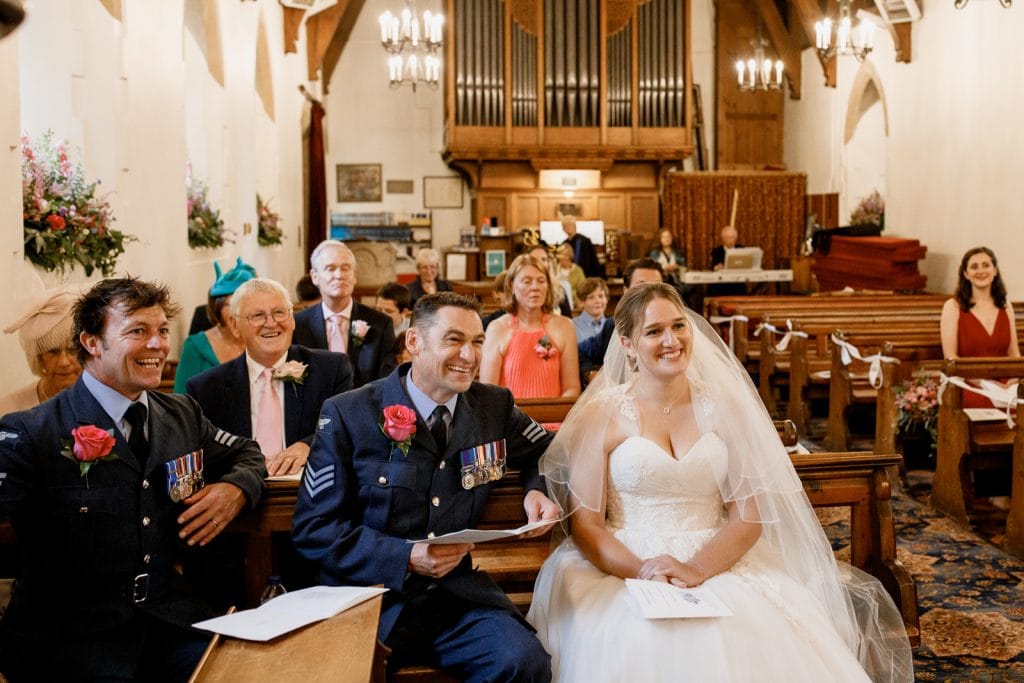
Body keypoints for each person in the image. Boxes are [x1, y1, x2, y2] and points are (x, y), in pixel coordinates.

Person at [527, 283, 913, 682]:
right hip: (626, 561)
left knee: (755, 633)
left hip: (716, 557)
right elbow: (587, 525)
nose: (671, 340)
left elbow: (747, 515)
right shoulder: (601, 414)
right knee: (640, 637)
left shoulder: (724, 406)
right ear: (627, 344)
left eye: (679, 326)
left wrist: (696, 569)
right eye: (654, 331)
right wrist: (644, 572)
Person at [0, 277, 266, 682]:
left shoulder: (180, 414)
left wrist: (235, 488)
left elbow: (247, 452)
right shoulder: (31, 431)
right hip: (71, 641)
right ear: (91, 343)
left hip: (170, 624)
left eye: (161, 331)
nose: (158, 344)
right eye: (138, 332)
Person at [292, 292, 560, 681]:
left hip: (455, 598)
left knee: (524, 663)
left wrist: (537, 488)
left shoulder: (492, 406)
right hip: (368, 600)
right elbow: (313, 528)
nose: (469, 355)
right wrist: (405, 556)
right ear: (414, 342)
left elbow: (549, 450)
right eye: (454, 340)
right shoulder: (349, 413)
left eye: (478, 342)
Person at [187, 278, 353, 476]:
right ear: (234, 325)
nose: (271, 323)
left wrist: (308, 446)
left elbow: (345, 429)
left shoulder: (331, 370)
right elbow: (207, 457)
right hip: (242, 495)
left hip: (311, 493)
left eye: (279, 313)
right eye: (258, 316)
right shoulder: (206, 388)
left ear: (292, 319)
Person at [293, 240, 397, 388]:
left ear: (354, 276)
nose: (339, 275)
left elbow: (386, 380)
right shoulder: (298, 324)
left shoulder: (380, 323)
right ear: (315, 276)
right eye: (330, 268)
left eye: (346, 268)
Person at [480, 255, 581, 399]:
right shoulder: (497, 328)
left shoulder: (564, 327)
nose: (535, 287)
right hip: (509, 420)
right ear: (511, 286)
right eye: (527, 281)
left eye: (541, 281)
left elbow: (571, 389)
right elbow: (487, 394)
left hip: (554, 418)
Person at [940, 246, 1020, 408]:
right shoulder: (953, 307)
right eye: (974, 267)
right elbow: (950, 358)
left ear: (995, 270)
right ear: (965, 274)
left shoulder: (1006, 306)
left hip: (1005, 382)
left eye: (986, 265)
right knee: (980, 403)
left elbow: (1014, 353)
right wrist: (985, 383)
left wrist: (1014, 380)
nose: (981, 271)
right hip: (968, 382)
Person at [577, 258, 664, 384]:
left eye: (657, 286)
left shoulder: (678, 327)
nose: (651, 294)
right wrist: (590, 373)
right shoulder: (613, 326)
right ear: (626, 291)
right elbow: (580, 352)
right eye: (641, 286)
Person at [174, 257, 255, 393]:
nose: (238, 312)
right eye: (230, 305)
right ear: (216, 307)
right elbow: (181, 400)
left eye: (245, 304)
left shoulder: (261, 341)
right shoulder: (195, 347)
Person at [0, 288, 81, 416]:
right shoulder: (10, 410)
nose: (64, 362)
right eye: (52, 352)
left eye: (73, 349)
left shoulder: (107, 402)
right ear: (38, 357)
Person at [527, 243, 572, 317]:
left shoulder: (559, 290)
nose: (540, 262)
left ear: (548, 264)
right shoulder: (521, 289)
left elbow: (568, 319)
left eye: (543, 259)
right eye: (534, 259)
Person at [559, 214, 601, 278]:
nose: (567, 227)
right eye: (564, 225)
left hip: (586, 276)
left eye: (570, 224)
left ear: (575, 226)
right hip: (569, 276)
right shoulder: (563, 244)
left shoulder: (585, 241)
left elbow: (594, 262)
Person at [571, 277, 609, 344]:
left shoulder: (613, 327)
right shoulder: (572, 327)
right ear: (582, 302)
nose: (598, 301)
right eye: (591, 297)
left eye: (601, 296)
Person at [554, 243, 584, 308]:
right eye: (560, 254)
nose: (562, 257)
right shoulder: (554, 270)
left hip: (575, 304)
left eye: (565, 255)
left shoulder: (578, 270)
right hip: (557, 303)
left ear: (570, 256)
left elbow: (583, 290)